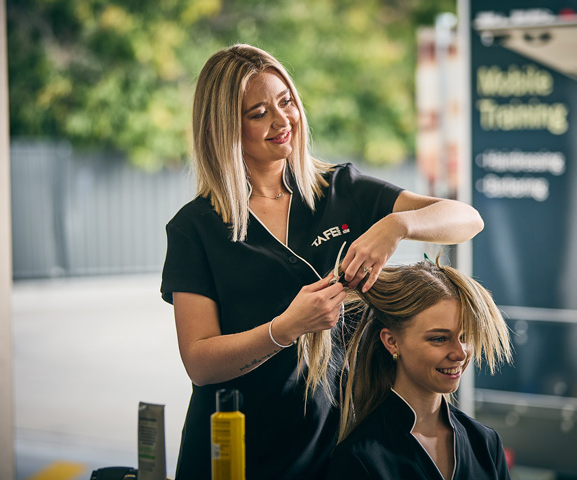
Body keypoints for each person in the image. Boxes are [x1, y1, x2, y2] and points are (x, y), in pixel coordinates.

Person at [160, 44, 484, 480]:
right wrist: (285, 329)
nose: (282, 121)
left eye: (286, 101)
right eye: (258, 113)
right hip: (235, 449)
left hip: (331, 450)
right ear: (225, 128)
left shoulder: (339, 191)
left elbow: (467, 218)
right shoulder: (195, 228)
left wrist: (396, 226)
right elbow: (200, 362)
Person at [327, 259, 513, 480]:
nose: (460, 353)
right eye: (439, 339)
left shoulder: (485, 443)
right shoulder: (360, 458)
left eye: (465, 337)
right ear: (392, 341)